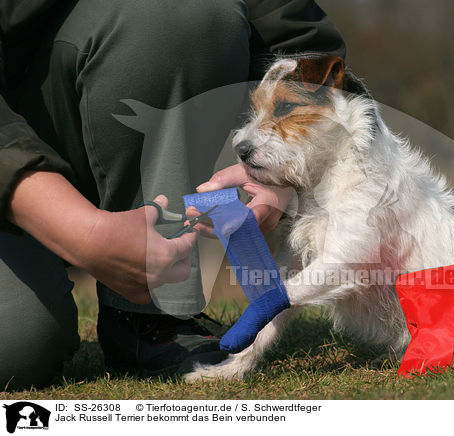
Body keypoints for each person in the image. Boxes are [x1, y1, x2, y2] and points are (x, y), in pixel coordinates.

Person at [0, 0, 345, 390]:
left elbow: (294, 36)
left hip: (64, 83)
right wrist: (78, 229)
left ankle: (151, 316)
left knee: (180, 13)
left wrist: (280, 172)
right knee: (15, 347)